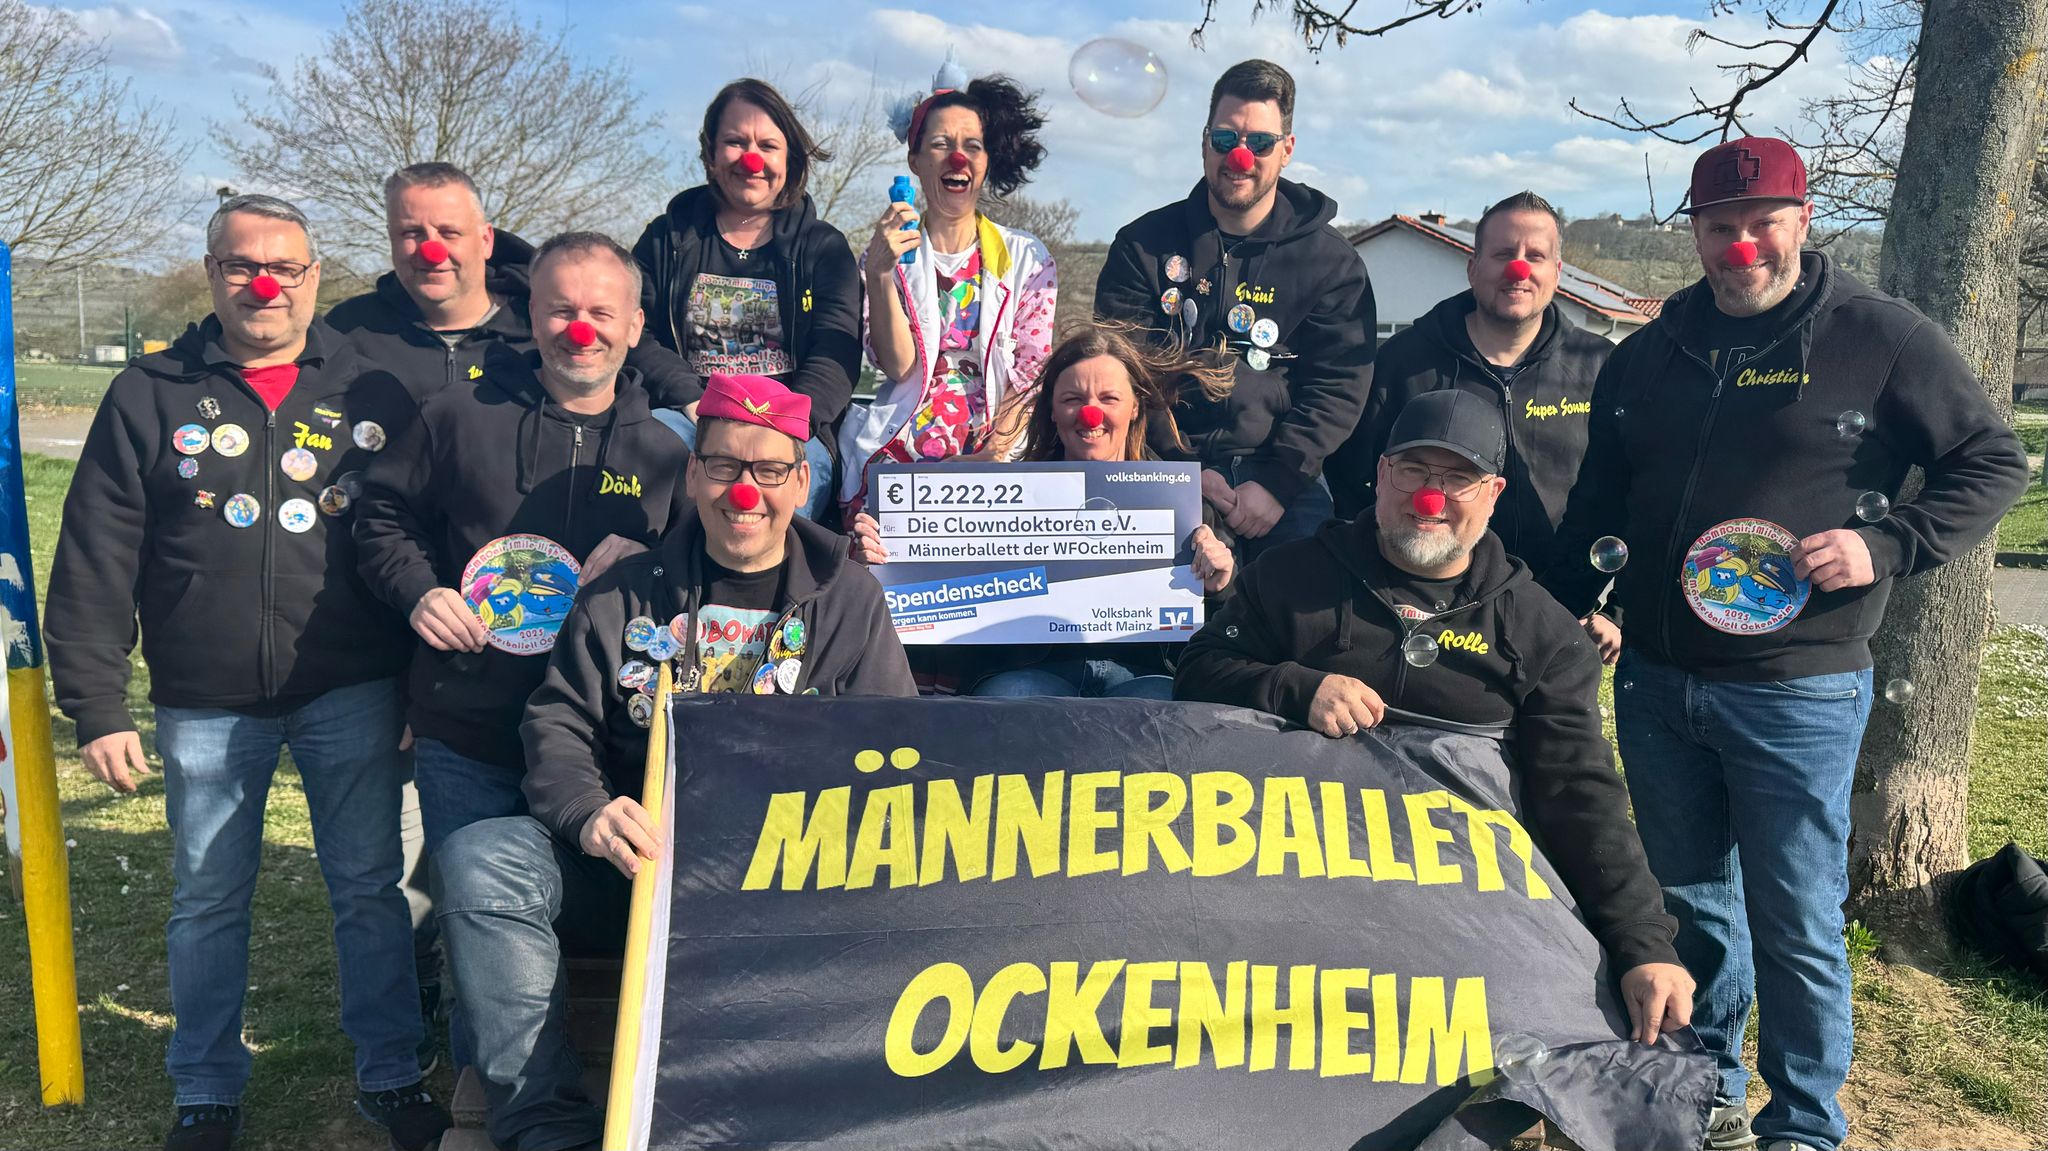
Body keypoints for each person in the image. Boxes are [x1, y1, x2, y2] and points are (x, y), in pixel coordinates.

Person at [1540, 137, 2030, 1151]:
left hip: (1796, 686)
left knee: (1795, 914)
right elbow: (1599, 505)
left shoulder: (1880, 336)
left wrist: (1884, 544)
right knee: (1686, 906)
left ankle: (1804, 1121)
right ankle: (1704, 1089)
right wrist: (1568, 610)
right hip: (1657, 681)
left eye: (1762, 222)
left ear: (1802, 221)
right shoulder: (1647, 353)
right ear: (1694, 231)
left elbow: (1990, 461)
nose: (1741, 245)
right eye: (1719, 226)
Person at [45, 195, 449, 1151]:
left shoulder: (375, 387)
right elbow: (96, 552)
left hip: (353, 689)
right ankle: (206, 1087)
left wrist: (419, 688)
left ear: (315, 276)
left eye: (285, 267)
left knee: (369, 889)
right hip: (204, 702)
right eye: (242, 265)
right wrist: (98, 704)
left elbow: (420, 538)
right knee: (208, 897)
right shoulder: (148, 392)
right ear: (212, 273)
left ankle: (391, 1071)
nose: (265, 285)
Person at [434, 372, 915, 1150]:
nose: (744, 491)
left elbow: (897, 753)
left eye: (769, 470)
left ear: (801, 482)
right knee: (482, 857)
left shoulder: (849, 598)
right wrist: (590, 813)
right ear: (693, 473)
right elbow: (558, 721)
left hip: (787, 886)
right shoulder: (621, 592)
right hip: (636, 870)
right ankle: (545, 1125)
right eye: (724, 465)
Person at [1174, 388, 1696, 1058]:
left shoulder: (1540, 632)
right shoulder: (1291, 577)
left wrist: (1643, 945)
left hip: (1453, 904)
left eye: (1457, 479)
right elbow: (1198, 672)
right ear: (1382, 473)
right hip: (1293, 882)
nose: (1431, 497)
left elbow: (1580, 792)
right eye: (1415, 471)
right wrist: (1295, 688)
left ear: (1494, 493)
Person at [353, 231, 691, 854]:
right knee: (475, 903)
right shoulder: (454, 415)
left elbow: (701, 568)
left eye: (601, 313)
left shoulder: (668, 454)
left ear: (635, 324)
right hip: (471, 739)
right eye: (562, 310)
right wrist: (418, 591)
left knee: (587, 914)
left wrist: (655, 560)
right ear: (532, 316)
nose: (581, 331)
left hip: (604, 753)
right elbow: (381, 518)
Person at [848, 324, 1238, 697]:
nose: (1090, 414)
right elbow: (933, 605)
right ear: (1051, 410)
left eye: (1109, 399)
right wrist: (879, 564)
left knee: (1164, 705)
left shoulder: (1182, 502)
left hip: (1144, 673)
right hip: (1031, 675)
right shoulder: (999, 499)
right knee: (1012, 696)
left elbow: (1232, 625)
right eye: (1072, 400)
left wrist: (1220, 585)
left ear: (1135, 407)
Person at [1095, 58, 1376, 562]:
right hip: (1162, 465)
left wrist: (1276, 484)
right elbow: (1123, 370)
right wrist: (1181, 474)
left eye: (1260, 143)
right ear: (1205, 142)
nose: (1240, 157)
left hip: (1281, 478)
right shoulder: (1141, 246)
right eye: (1225, 139)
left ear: (1287, 150)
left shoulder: (1332, 262)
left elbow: (1337, 386)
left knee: (1305, 601)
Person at [1324, 189, 1623, 662]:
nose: (1518, 269)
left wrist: (1617, 610)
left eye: (1535, 256)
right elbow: (1353, 483)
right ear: (1473, 267)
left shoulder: (1603, 366)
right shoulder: (1402, 362)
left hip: (1559, 614)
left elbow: (1636, 487)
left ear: (1557, 272)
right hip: (1428, 612)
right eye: (1503, 254)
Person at [632, 79, 863, 523]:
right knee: (647, 456)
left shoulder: (824, 248)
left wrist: (786, 422)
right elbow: (636, 331)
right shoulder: (666, 238)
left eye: (767, 146)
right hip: (689, 417)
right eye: (736, 142)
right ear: (711, 154)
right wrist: (690, 399)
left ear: (789, 159)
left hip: (792, 427)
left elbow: (836, 351)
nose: (751, 158)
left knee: (785, 504)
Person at [838, 63, 1057, 515]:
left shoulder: (1028, 258)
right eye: (940, 144)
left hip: (998, 442)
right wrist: (880, 273)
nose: (958, 158)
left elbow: (1031, 372)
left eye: (972, 146)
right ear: (915, 161)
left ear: (986, 161)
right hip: (904, 443)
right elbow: (899, 366)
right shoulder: (882, 256)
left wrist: (995, 455)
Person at [328, 162, 703, 414]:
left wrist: (691, 400)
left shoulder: (546, 326)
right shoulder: (344, 332)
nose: (431, 251)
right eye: (411, 233)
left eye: (449, 232)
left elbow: (625, 360)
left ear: (485, 240)